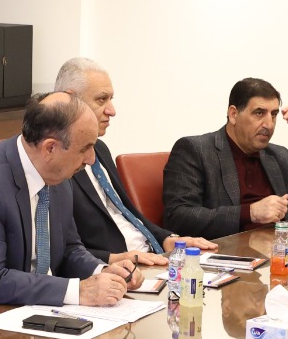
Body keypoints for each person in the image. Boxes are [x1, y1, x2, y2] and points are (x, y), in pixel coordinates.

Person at [0, 92, 138, 310]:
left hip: (27, 307)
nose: (91, 159)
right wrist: (78, 291)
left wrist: (102, 272)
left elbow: (69, 249)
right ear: (50, 148)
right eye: (85, 148)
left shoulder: (58, 173)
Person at [53, 57, 218, 267]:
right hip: (115, 269)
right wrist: (116, 259)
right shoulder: (56, 160)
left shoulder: (100, 149)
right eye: (101, 100)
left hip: (152, 258)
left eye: (111, 99)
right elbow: (64, 249)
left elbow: (129, 214)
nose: (112, 110)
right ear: (70, 99)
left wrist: (167, 239)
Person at [162, 78, 288, 238]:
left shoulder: (277, 156)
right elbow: (178, 217)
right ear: (233, 114)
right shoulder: (196, 150)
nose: (269, 124)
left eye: (273, 114)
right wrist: (250, 213)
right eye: (259, 113)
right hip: (226, 255)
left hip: (279, 253)